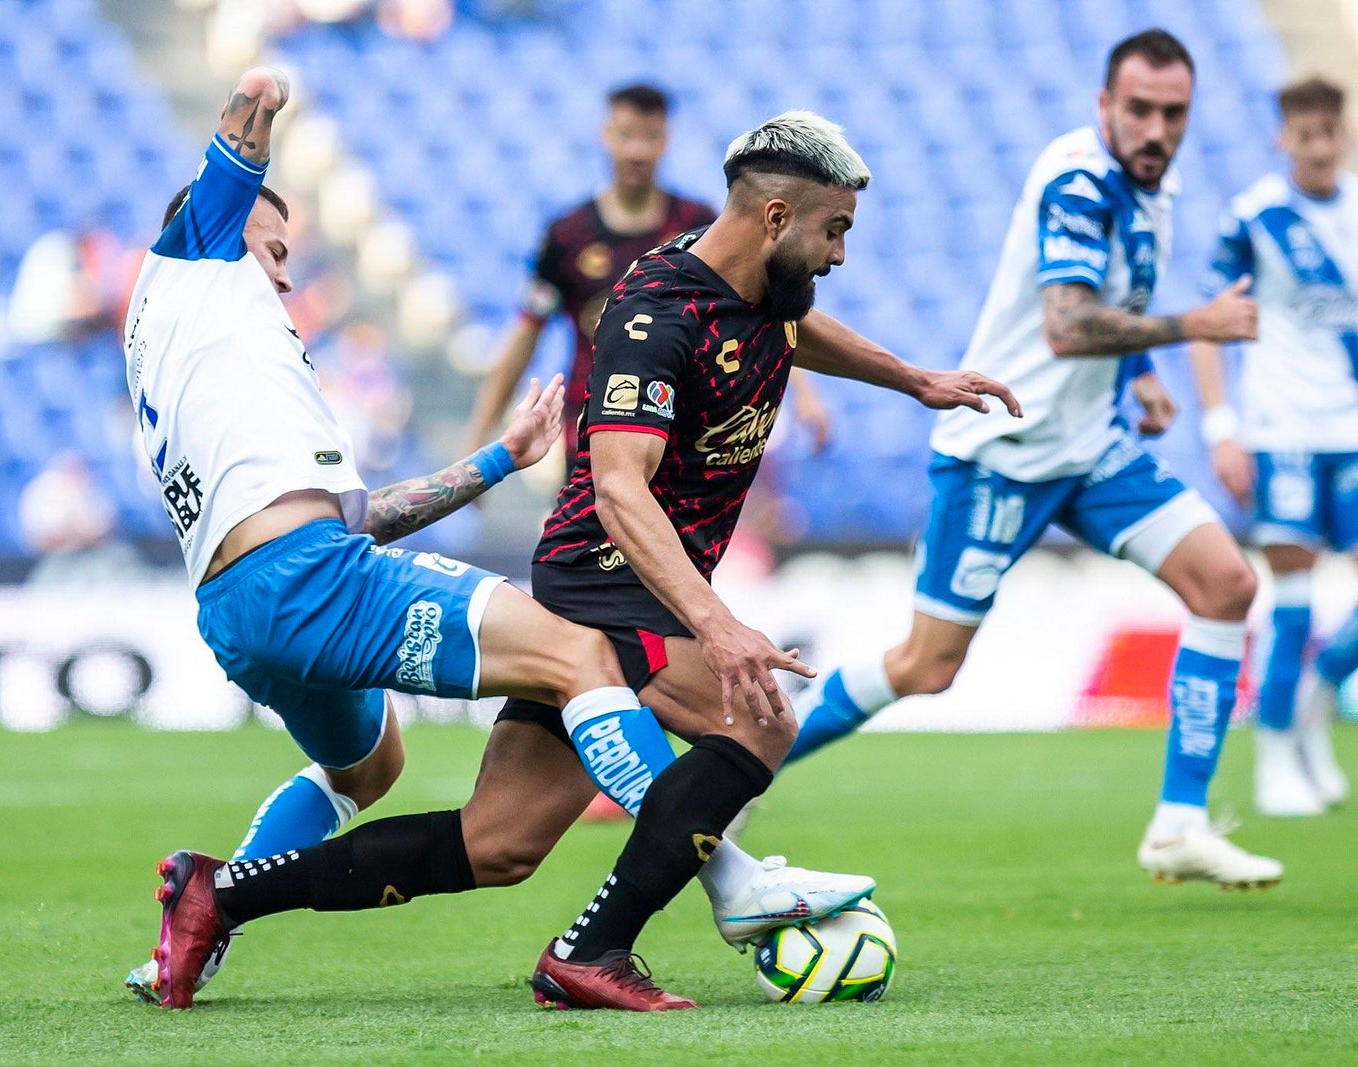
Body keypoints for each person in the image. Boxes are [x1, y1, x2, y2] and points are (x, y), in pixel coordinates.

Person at [140, 105, 1018, 1012]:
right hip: (609, 573)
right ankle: (596, 947)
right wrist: (718, 627)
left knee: (499, 842)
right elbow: (618, 490)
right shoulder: (652, 317)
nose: (839, 255)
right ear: (775, 219)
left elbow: (792, 332)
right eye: (834, 231)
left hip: (640, 575)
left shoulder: (766, 286)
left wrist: (916, 379)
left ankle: (223, 891)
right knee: (759, 721)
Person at [779, 29, 1281, 890]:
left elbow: (1111, 299)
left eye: (1174, 113)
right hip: (1002, 451)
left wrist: (1146, 371)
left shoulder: (1149, 181)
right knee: (925, 667)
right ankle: (749, 762)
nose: (1158, 128)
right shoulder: (1078, 180)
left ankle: (1179, 826)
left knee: (1227, 585)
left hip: (1089, 450)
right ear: (1103, 107)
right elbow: (1066, 322)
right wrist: (1192, 328)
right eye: (1141, 110)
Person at [463, 83, 829, 465]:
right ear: (605, 137)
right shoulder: (567, 235)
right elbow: (526, 332)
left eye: (650, 137)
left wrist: (805, 392)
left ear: (666, 141)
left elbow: (761, 309)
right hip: (591, 432)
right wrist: (480, 437)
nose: (637, 151)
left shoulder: (700, 226)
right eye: (626, 136)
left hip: (682, 434)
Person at [1188, 75, 1356, 817]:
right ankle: (1277, 756)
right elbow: (1210, 321)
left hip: (1351, 428)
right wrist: (1222, 426)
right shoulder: (1255, 218)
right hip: (1284, 430)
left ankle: (1317, 702)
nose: (1319, 148)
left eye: (1330, 133)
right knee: (1291, 600)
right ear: (1282, 138)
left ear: (1344, 134)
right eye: (1305, 135)